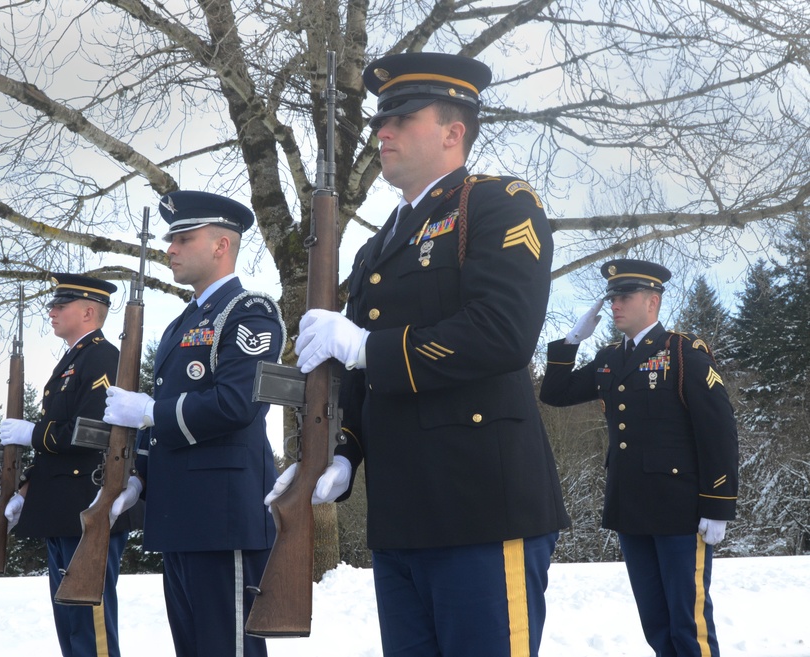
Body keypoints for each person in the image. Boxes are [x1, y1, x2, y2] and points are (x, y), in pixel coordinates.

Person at [275, 52, 570, 656]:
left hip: (482, 509)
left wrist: (365, 345)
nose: (383, 131)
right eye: (383, 118)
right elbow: (358, 381)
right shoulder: (379, 244)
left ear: (452, 132)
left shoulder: (500, 204)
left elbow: (503, 332)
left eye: (403, 119)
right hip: (403, 517)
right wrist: (343, 453)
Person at [102, 190, 284, 657]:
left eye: (183, 237)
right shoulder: (183, 322)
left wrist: (148, 412)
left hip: (225, 517)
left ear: (221, 245)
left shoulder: (250, 312)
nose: (171, 249)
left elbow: (236, 404)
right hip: (181, 515)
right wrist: (139, 477)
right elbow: (168, 409)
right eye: (170, 239)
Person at [539, 258, 739, 657]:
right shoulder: (612, 357)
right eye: (612, 297)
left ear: (653, 301)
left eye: (624, 297)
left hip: (680, 512)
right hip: (631, 509)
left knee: (689, 624)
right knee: (656, 624)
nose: (614, 305)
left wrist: (719, 504)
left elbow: (718, 429)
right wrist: (572, 341)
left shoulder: (683, 353)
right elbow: (555, 393)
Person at [0, 273, 143, 657]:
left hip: (87, 503)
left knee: (89, 621)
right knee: (69, 621)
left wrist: (31, 433)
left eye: (60, 306)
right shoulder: (74, 359)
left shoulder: (102, 357)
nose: (52, 312)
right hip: (62, 505)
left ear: (89, 311)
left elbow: (88, 433)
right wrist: (27, 487)